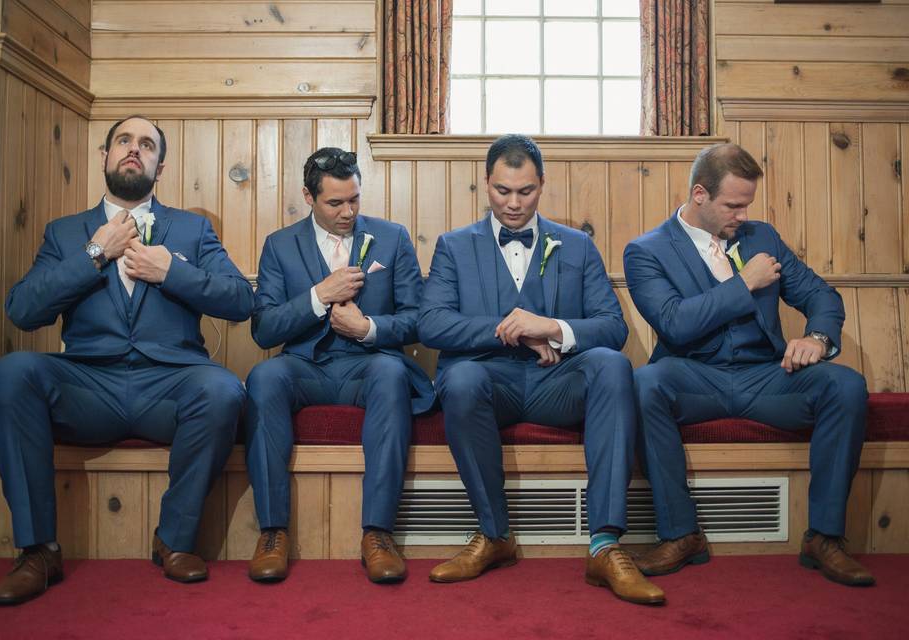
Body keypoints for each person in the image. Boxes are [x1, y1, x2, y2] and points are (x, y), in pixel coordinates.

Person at [0, 116, 254, 604]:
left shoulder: (193, 231)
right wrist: (95, 252)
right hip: (88, 386)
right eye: (124, 141)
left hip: (169, 387)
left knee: (222, 389)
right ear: (105, 156)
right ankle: (37, 551)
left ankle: (174, 540)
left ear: (160, 166)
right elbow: (23, 310)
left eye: (147, 144)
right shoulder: (65, 233)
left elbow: (241, 300)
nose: (134, 150)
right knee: (12, 372)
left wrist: (172, 271)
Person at [417, 134, 664, 605]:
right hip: (488, 382)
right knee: (461, 378)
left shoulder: (576, 245)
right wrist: (513, 329)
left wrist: (551, 326)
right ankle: (494, 535)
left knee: (612, 366)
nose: (513, 203)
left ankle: (605, 544)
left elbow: (612, 326)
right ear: (485, 184)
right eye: (503, 191)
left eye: (525, 191)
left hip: (557, 384)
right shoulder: (453, 246)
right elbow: (431, 323)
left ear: (542, 185)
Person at [624, 142, 873, 587]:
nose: (742, 216)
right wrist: (745, 282)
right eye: (732, 206)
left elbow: (821, 296)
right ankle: (680, 535)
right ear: (699, 194)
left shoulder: (763, 237)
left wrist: (817, 338)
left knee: (846, 386)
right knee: (643, 384)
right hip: (693, 376)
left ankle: (824, 537)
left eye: (747, 205)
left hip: (767, 376)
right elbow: (675, 324)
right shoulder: (647, 251)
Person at [245, 147, 433, 584]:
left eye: (354, 200)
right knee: (263, 376)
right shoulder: (279, 245)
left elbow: (419, 318)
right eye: (335, 203)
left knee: (391, 374)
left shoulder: (392, 238)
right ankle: (272, 532)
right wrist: (319, 296)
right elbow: (264, 329)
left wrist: (368, 327)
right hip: (303, 368)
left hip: (369, 365)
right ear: (309, 199)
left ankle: (378, 534)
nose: (347, 211)